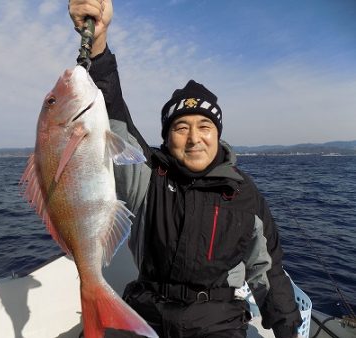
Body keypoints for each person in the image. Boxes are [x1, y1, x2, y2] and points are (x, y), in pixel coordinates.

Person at [69, 1, 303, 337]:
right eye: (181, 128)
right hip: (145, 311)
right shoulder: (149, 174)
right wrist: (99, 42)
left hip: (217, 322)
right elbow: (114, 116)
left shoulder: (243, 193)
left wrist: (287, 328)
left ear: (217, 134)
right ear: (167, 138)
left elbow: (267, 269)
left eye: (205, 126)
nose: (194, 139)